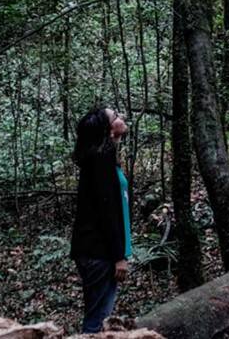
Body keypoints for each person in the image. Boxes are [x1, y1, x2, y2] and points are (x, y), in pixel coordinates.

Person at [70, 106, 132, 333]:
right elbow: (107, 212)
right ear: (107, 130)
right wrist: (119, 257)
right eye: (115, 116)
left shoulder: (103, 156)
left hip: (96, 251)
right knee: (97, 323)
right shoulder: (100, 159)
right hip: (99, 253)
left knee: (99, 318)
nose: (121, 117)